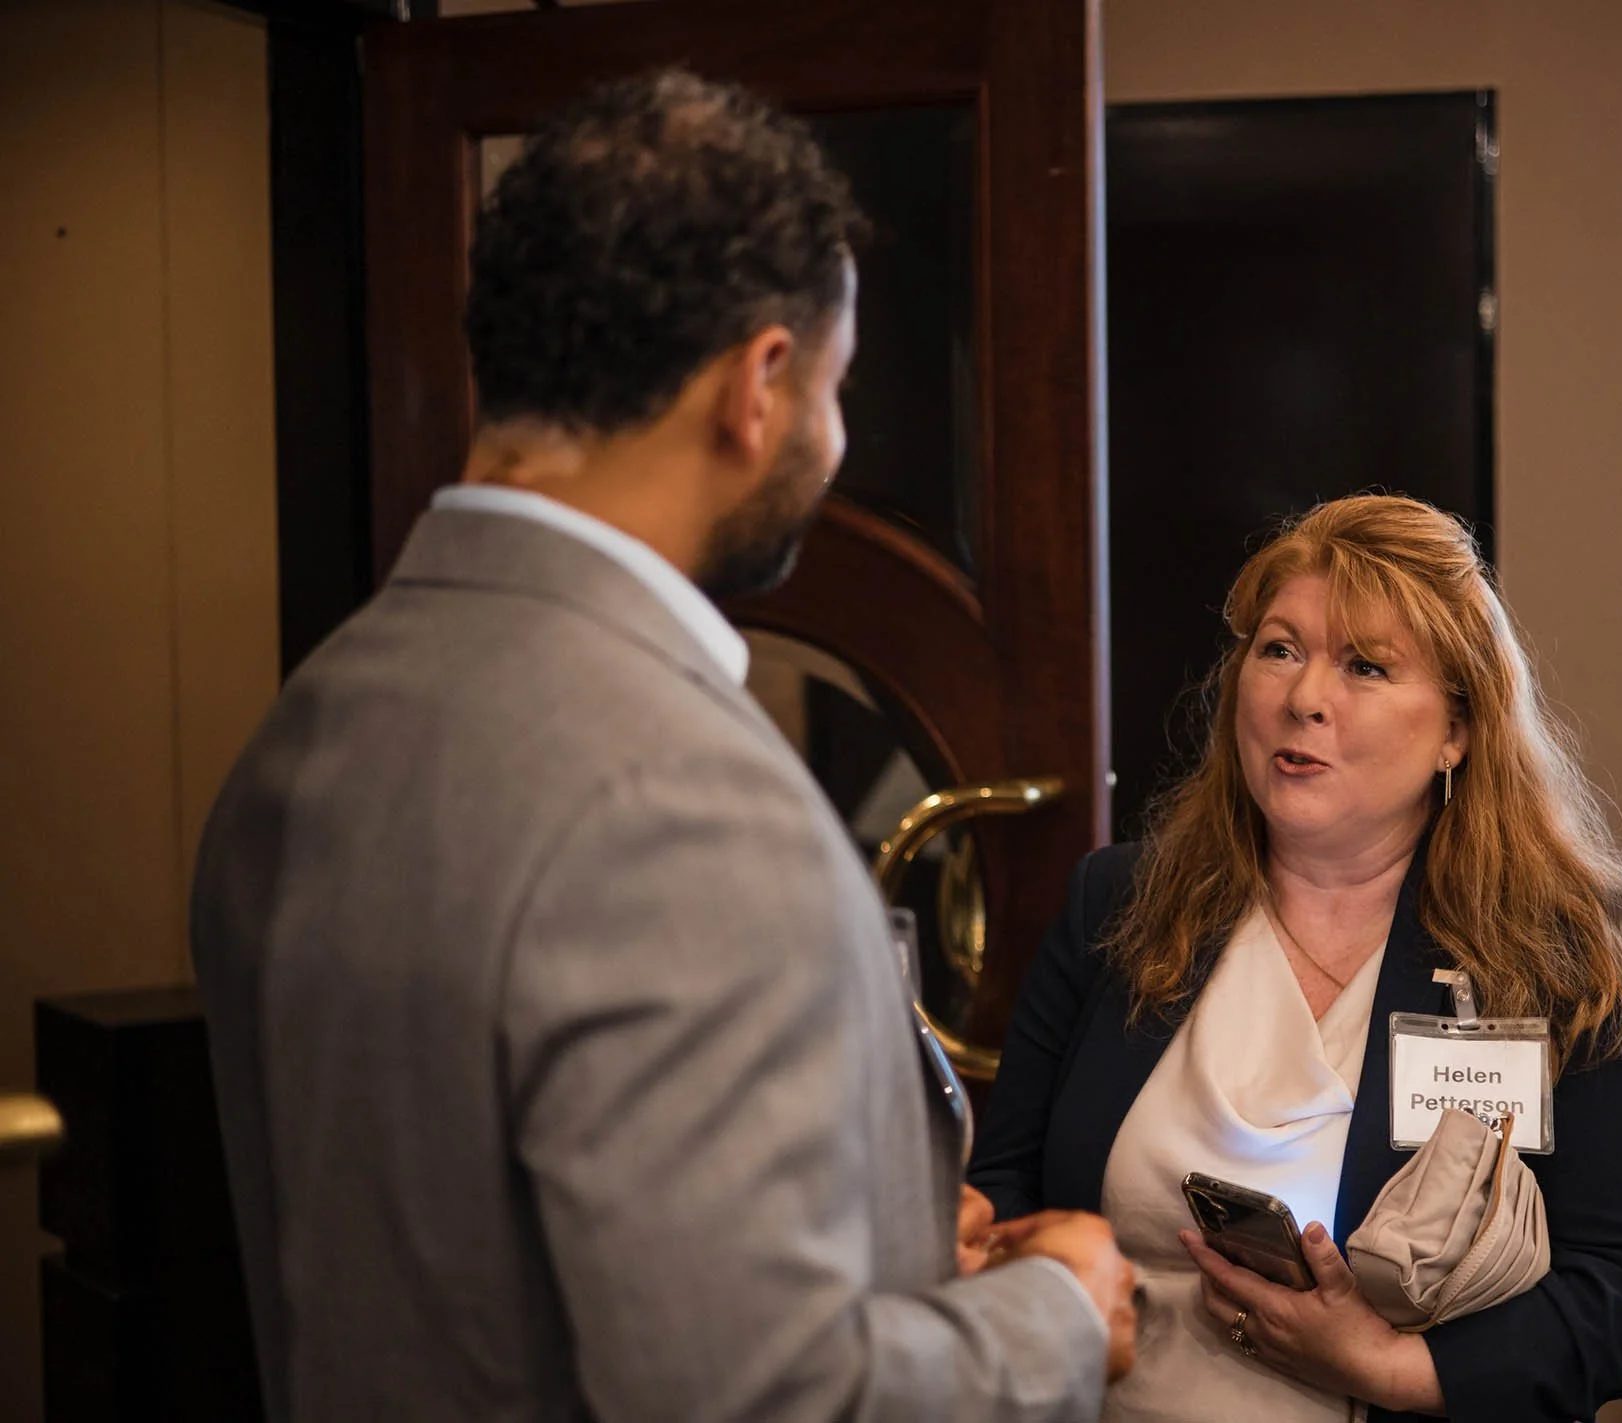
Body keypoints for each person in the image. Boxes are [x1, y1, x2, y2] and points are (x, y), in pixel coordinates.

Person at [191, 70, 1135, 1423]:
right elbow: (761, 1398)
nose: (834, 433)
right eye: (836, 384)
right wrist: (1052, 1316)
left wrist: (890, 1246)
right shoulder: (677, 805)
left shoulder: (311, 722)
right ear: (758, 385)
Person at [969, 495, 1622, 1422]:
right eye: (1278, 649)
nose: (1303, 696)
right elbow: (1000, 1196)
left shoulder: (1543, 963)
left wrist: (1395, 1368)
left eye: (1365, 665)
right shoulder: (1118, 907)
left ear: (1457, 731)